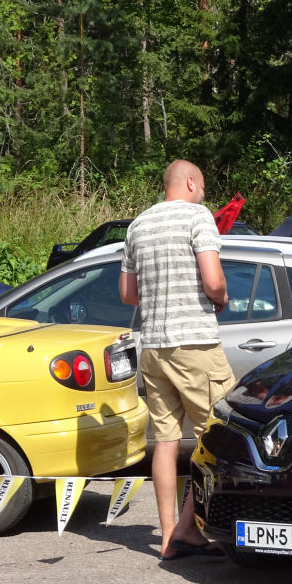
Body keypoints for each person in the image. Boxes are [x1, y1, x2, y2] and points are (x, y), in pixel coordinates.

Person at [120, 159, 236, 561]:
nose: (204, 193)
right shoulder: (197, 216)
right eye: (202, 185)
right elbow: (214, 280)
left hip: (152, 346)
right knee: (218, 436)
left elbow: (128, 294)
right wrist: (220, 298)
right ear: (189, 182)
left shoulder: (137, 226)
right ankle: (188, 529)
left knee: (166, 441)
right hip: (195, 345)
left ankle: (168, 534)